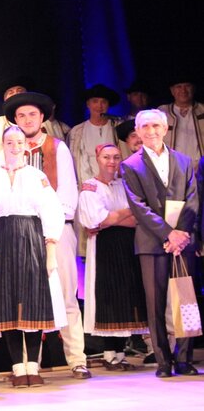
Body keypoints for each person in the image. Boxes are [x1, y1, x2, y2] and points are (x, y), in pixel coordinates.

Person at [2, 92, 91, 379]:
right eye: (21, 115)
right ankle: (31, 365)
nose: (27, 120)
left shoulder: (56, 147)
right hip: (20, 233)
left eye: (32, 114)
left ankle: (77, 358)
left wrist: (50, 225)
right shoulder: (7, 150)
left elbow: (67, 191)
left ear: (42, 117)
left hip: (57, 229)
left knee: (66, 294)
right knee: (27, 297)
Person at [120, 109, 199, 378]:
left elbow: (193, 199)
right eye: (145, 127)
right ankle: (164, 361)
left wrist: (182, 233)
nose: (151, 131)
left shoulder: (183, 160)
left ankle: (185, 359)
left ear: (165, 129)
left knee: (185, 299)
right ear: (138, 131)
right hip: (152, 242)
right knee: (155, 303)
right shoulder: (131, 164)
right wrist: (168, 234)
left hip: (182, 242)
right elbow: (138, 206)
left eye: (156, 125)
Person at [0, 125, 65, 387]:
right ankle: (17, 368)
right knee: (7, 301)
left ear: (26, 145)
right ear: (3, 145)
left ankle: (33, 365)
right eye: (9, 142)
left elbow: (51, 211)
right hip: (3, 239)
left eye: (19, 142)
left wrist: (51, 251)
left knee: (34, 299)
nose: (15, 147)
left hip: (32, 238)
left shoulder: (36, 175)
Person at [78, 143, 148, 370]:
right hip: (104, 247)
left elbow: (138, 219)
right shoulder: (90, 187)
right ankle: (110, 354)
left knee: (125, 295)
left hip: (127, 246)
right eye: (107, 157)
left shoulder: (125, 185)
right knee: (107, 294)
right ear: (98, 158)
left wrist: (110, 218)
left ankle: (120, 353)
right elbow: (94, 221)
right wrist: (128, 211)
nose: (112, 162)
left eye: (116, 157)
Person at [69, 84, 129, 185]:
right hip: (88, 185)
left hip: (116, 184)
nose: (99, 106)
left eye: (104, 102)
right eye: (95, 101)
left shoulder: (117, 127)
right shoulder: (77, 132)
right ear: (88, 104)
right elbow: (75, 163)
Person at [0, 76, 33, 169]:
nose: (16, 95)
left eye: (20, 91)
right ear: (5, 100)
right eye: (11, 92)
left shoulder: (36, 123)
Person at [158, 76, 204, 169]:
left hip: (200, 168)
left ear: (193, 89)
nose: (183, 90)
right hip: (172, 168)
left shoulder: (202, 109)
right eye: (179, 86)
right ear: (172, 91)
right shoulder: (162, 112)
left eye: (187, 86)